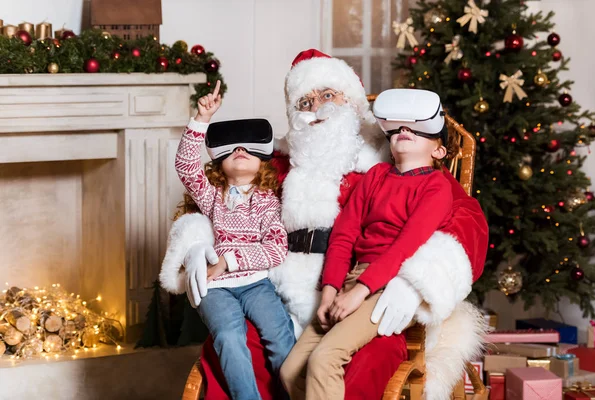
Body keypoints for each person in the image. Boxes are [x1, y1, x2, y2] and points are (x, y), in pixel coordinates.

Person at [160, 50, 489, 400]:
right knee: (234, 344)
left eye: (328, 95)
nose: (316, 107)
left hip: (367, 291)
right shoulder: (278, 164)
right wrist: (197, 244)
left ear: (353, 103)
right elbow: (219, 202)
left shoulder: (384, 161)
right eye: (305, 100)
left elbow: (466, 222)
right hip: (275, 293)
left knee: (366, 362)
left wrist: (416, 283)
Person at [280, 89, 458, 399]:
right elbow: (343, 237)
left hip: (388, 285)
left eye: (416, 129)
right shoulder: (376, 176)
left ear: (439, 151)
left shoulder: (436, 187)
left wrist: (359, 293)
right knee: (290, 370)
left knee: (325, 358)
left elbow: (404, 249)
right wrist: (330, 292)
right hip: (351, 280)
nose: (405, 131)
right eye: (399, 128)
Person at [166, 80, 295, 400]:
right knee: (229, 336)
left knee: (280, 338)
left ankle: (294, 394)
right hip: (217, 289)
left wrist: (229, 260)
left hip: (256, 284)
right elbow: (184, 166)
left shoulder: (268, 202)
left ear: (262, 160)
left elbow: (276, 248)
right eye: (232, 148)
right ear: (219, 162)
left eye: (248, 148)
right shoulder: (212, 197)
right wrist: (201, 119)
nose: (240, 151)